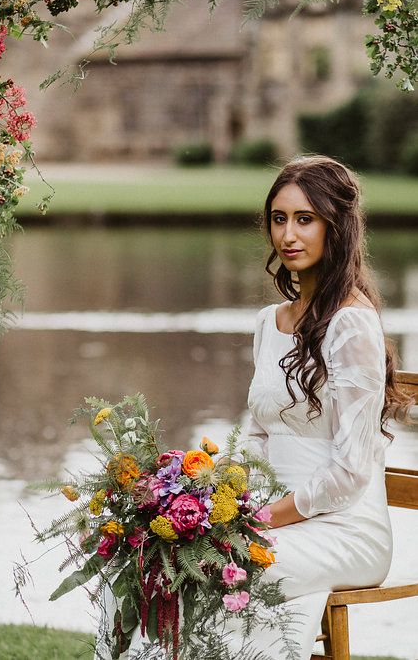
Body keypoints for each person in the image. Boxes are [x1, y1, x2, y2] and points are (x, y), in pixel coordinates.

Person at [97, 155, 410, 659]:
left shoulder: (353, 325)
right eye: (279, 218)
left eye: (305, 219)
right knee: (152, 555)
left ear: (338, 226)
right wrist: (205, 501)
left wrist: (261, 520)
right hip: (271, 515)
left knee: (221, 567)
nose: (288, 234)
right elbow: (257, 435)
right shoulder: (270, 321)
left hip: (345, 529)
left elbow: (351, 471)